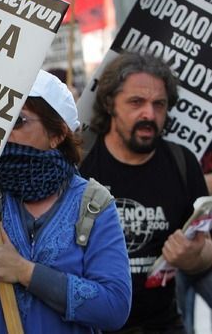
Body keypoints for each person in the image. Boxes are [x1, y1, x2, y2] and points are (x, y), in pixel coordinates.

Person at [0, 70, 132, 333]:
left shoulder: (93, 204)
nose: (5, 131)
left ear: (57, 134)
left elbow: (114, 306)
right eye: (2, 119)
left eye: (18, 120)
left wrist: (26, 272)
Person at [79, 53, 212, 333]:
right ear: (109, 103)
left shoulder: (182, 163)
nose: (149, 114)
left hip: (163, 324)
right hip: (91, 325)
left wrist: (193, 256)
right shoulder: (81, 165)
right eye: (136, 102)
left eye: (159, 105)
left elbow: (206, 248)